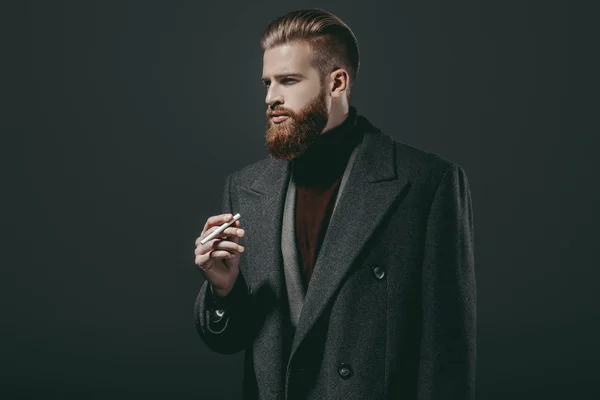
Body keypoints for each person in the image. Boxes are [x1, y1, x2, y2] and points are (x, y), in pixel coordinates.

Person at [193, 8, 476, 400]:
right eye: (267, 82)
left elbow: (446, 355)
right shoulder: (245, 188)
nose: (271, 97)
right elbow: (229, 341)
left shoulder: (426, 183)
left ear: (337, 82)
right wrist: (223, 292)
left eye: (288, 80)